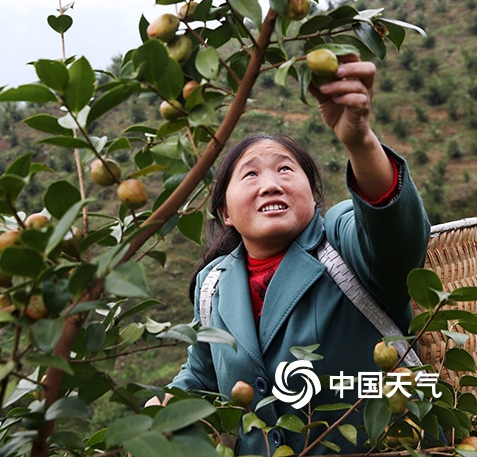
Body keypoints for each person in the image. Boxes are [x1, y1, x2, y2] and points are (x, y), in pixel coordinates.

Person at [147, 55, 430, 454]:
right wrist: (155, 417)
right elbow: (201, 377)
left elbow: (394, 238)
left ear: (313, 197)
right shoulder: (213, 285)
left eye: (285, 170)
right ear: (226, 213)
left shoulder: (342, 241)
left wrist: (359, 141)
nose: (270, 185)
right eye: (250, 174)